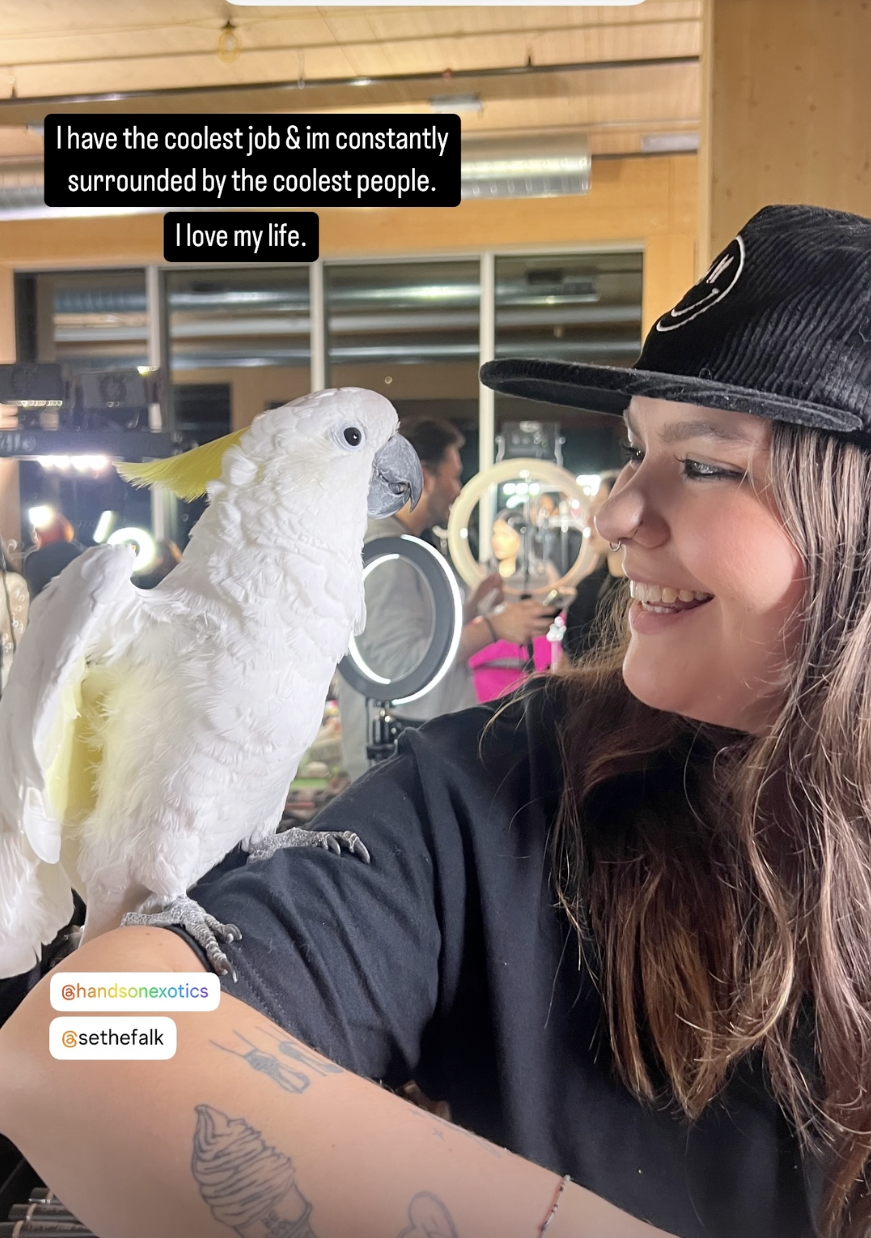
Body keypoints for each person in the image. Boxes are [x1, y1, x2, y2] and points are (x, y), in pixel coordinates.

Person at [3, 203, 871, 1238]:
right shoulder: (499, 786)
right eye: (632, 449)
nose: (612, 514)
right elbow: (78, 1034)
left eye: (705, 463)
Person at [337, 418, 558, 780]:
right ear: (424, 477)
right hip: (402, 764)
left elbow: (415, 637)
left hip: (416, 753)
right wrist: (493, 628)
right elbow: (400, 665)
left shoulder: (401, 546)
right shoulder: (389, 555)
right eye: (453, 477)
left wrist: (470, 608)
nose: (458, 491)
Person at [561, 470, 626, 661]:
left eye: (599, 509)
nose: (589, 521)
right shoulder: (587, 588)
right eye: (590, 511)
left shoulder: (649, 595)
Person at [22, 511, 84, 600]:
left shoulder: (35, 559)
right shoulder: (79, 553)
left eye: (37, 534)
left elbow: (34, 592)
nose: (35, 539)